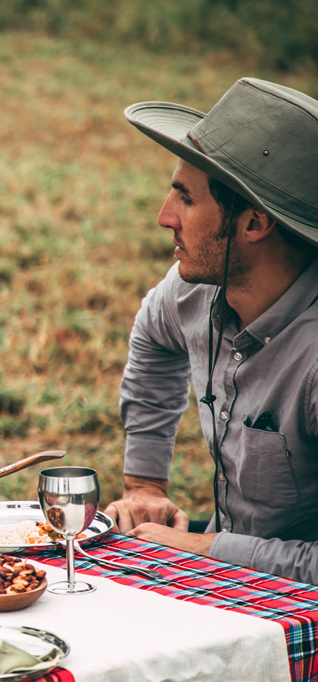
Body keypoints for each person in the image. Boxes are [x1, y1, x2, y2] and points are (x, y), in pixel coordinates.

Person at [102, 78, 318, 584]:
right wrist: (145, 486)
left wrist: (203, 547)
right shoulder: (195, 288)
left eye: (186, 198)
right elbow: (153, 338)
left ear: (254, 224)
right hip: (231, 579)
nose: (164, 217)